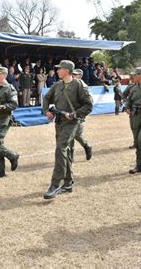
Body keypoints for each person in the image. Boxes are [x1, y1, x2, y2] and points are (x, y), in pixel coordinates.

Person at [42, 60, 93, 199]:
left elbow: (88, 105)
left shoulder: (79, 85)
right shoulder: (57, 85)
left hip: (72, 122)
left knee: (61, 148)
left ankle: (55, 183)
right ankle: (68, 183)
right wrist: (47, 110)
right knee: (67, 151)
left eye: (60, 69)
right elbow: (46, 97)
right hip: (59, 121)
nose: (57, 71)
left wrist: (74, 115)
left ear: (67, 70)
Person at [70, 69, 93, 161]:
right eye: (73, 74)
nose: (73, 76)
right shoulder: (69, 85)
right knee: (69, 134)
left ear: (80, 76)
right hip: (68, 114)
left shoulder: (84, 87)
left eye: (75, 75)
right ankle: (70, 156)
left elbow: (88, 103)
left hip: (78, 114)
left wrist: (81, 114)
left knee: (77, 134)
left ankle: (87, 146)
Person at [124, 72, 137, 149]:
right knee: (133, 127)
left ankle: (140, 142)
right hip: (132, 110)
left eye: (132, 77)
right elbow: (124, 95)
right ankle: (136, 143)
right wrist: (127, 106)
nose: (132, 78)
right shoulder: (130, 86)